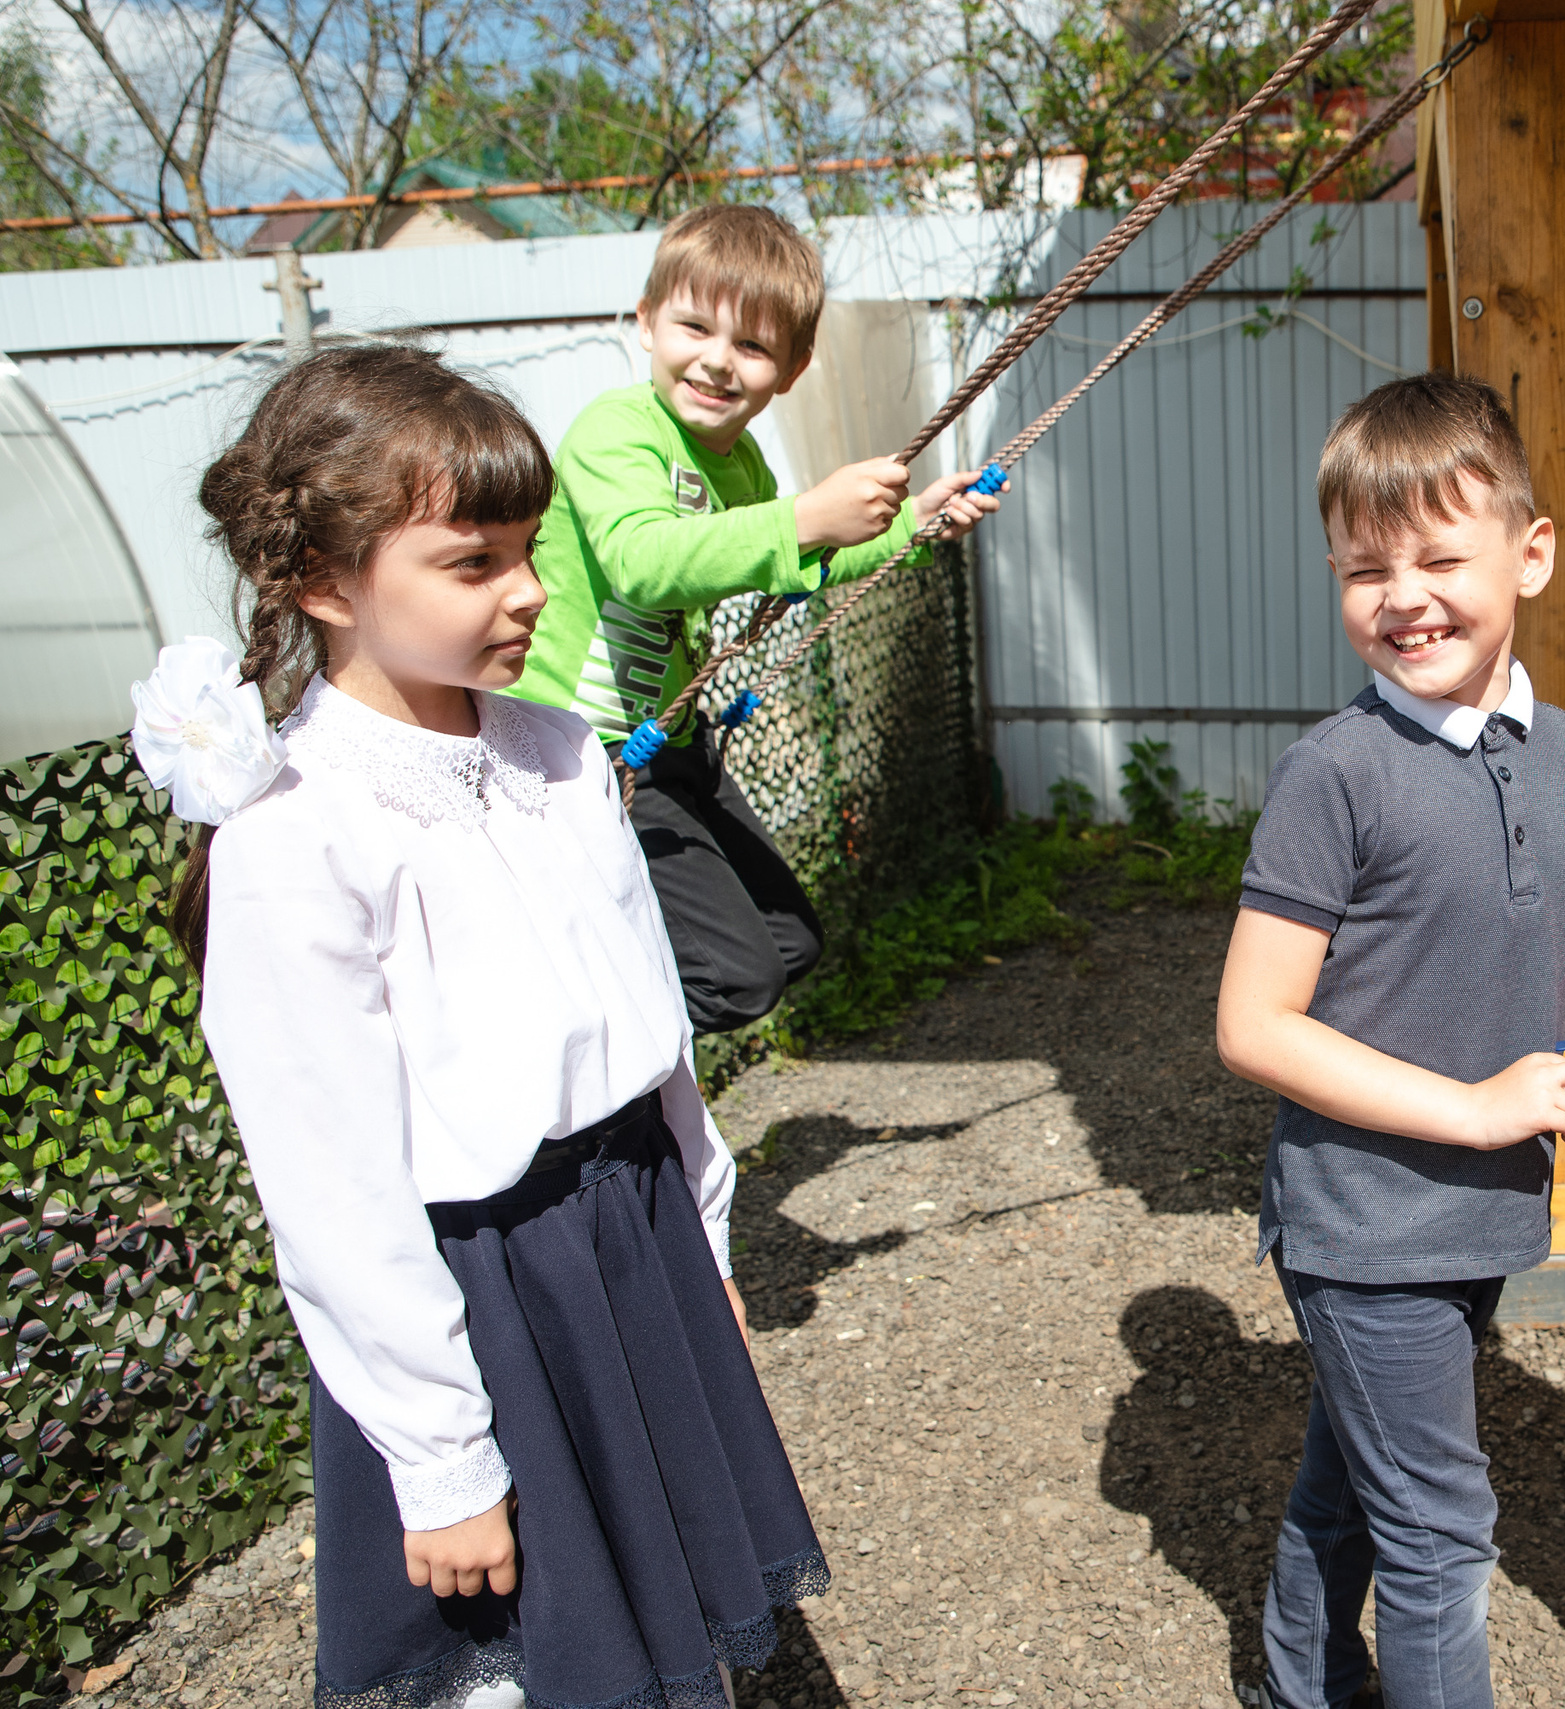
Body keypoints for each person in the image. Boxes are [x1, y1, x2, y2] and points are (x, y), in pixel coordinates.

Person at [149, 347, 826, 1706]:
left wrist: (704, 1235)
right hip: (488, 1298)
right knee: (541, 1654)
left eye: (530, 549)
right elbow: (333, 1188)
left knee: (678, 1612)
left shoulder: (560, 752)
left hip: (630, 1233)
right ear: (325, 582)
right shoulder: (301, 837)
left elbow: (651, 1030)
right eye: (472, 563)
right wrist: (444, 1458)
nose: (524, 591)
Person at [1215, 372, 1565, 1709]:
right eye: (1365, 568)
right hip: (1364, 1222)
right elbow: (1253, 1022)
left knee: (1357, 1477)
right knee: (1440, 1530)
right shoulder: (1334, 775)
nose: (1401, 594)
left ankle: (1295, 1684)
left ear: (1532, 554)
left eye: (1437, 557)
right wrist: (1480, 1106)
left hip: (1484, 1210)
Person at [510, 202, 1005, 1033]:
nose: (716, 362)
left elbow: (795, 566)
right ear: (645, 322)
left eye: (751, 345)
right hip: (581, 749)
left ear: (793, 366)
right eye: (693, 327)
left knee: (788, 940)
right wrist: (805, 517)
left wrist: (913, 525)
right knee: (735, 981)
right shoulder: (616, 432)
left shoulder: (740, 466)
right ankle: (581, 1058)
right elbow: (647, 559)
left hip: (669, 737)